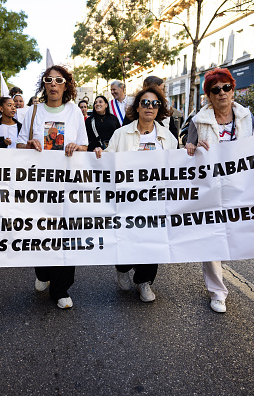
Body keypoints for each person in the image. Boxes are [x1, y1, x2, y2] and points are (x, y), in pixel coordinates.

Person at [185, 68, 254, 314]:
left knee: (231, 240)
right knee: (212, 241)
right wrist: (192, 146)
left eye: (227, 87)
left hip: (241, 189)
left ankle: (217, 262)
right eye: (216, 90)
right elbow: (188, 147)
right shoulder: (198, 120)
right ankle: (217, 292)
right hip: (210, 190)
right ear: (209, 96)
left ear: (233, 90)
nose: (222, 93)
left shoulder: (248, 117)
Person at [94, 85, 177, 302]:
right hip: (127, 201)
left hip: (155, 201)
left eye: (155, 103)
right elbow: (109, 159)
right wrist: (100, 154)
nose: (150, 107)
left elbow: (176, 168)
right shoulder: (121, 134)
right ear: (137, 107)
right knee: (126, 239)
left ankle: (144, 281)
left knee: (152, 243)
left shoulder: (168, 138)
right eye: (145, 103)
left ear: (159, 109)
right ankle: (122, 268)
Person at [17, 65, 88, 309]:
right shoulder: (33, 111)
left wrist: (75, 148)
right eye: (49, 80)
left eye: (59, 80)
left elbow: (84, 147)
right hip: (40, 185)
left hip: (68, 186)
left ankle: (61, 289)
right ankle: (43, 271)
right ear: (44, 85)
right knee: (42, 232)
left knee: (66, 233)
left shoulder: (74, 112)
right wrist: (30, 144)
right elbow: (19, 147)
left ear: (66, 85)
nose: (54, 84)